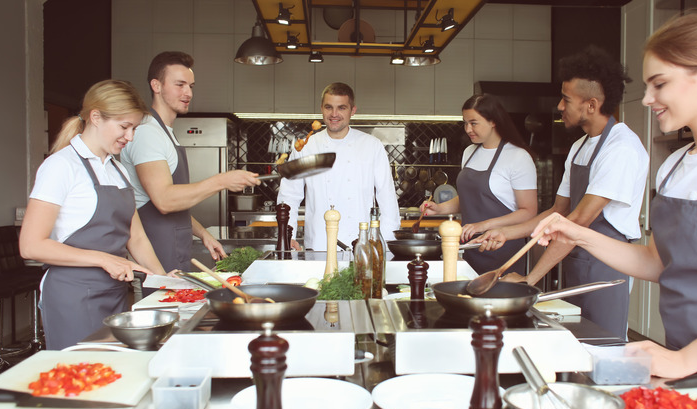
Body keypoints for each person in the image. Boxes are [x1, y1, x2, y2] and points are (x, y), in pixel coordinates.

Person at [529, 12, 697, 409]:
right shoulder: (674, 165)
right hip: (679, 362)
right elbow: (656, 261)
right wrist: (578, 234)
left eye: (660, 84)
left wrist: (684, 360)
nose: (647, 99)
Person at [473, 46, 649, 340]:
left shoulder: (621, 148)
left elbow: (577, 221)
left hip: (604, 269)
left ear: (591, 105)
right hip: (575, 263)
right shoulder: (580, 147)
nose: (559, 106)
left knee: (601, 349)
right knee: (574, 346)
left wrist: (531, 278)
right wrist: (509, 233)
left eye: (566, 99)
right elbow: (558, 211)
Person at [18, 80, 169, 350]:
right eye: (124, 127)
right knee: (82, 381)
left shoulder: (117, 170)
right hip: (73, 295)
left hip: (114, 294)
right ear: (96, 117)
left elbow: (136, 237)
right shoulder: (60, 166)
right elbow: (31, 246)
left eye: (134, 128)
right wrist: (105, 260)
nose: (130, 137)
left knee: (113, 377)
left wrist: (165, 282)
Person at [121, 51, 260, 278]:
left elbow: (178, 203)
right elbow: (165, 200)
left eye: (191, 86)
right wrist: (221, 181)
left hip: (173, 248)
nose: (188, 93)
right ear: (156, 85)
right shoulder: (147, 133)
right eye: (180, 85)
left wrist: (202, 233)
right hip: (155, 253)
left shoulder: (165, 133)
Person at [421, 94, 537, 275]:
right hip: (470, 249)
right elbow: (471, 197)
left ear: (493, 121)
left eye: (474, 123)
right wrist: (440, 208)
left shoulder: (518, 157)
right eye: (465, 123)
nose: (468, 129)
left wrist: (483, 225)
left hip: (502, 249)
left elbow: (529, 212)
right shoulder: (470, 152)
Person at [277, 82, 400, 250]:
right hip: (319, 244)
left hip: (360, 245)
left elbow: (387, 198)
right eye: (329, 107)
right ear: (322, 108)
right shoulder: (307, 146)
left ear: (353, 111)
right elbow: (289, 195)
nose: (334, 114)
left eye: (341, 108)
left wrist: (386, 243)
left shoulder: (372, 146)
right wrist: (287, 234)